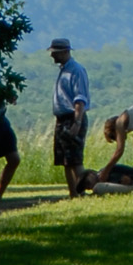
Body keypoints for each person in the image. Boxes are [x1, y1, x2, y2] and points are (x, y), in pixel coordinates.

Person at [49, 37, 90, 198]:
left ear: (65, 52)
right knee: (66, 159)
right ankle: (73, 193)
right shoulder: (64, 69)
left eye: (56, 53)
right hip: (62, 119)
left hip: (72, 118)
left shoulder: (75, 70)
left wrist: (77, 122)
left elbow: (79, 99)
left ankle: (82, 191)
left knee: (75, 159)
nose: (53, 56)